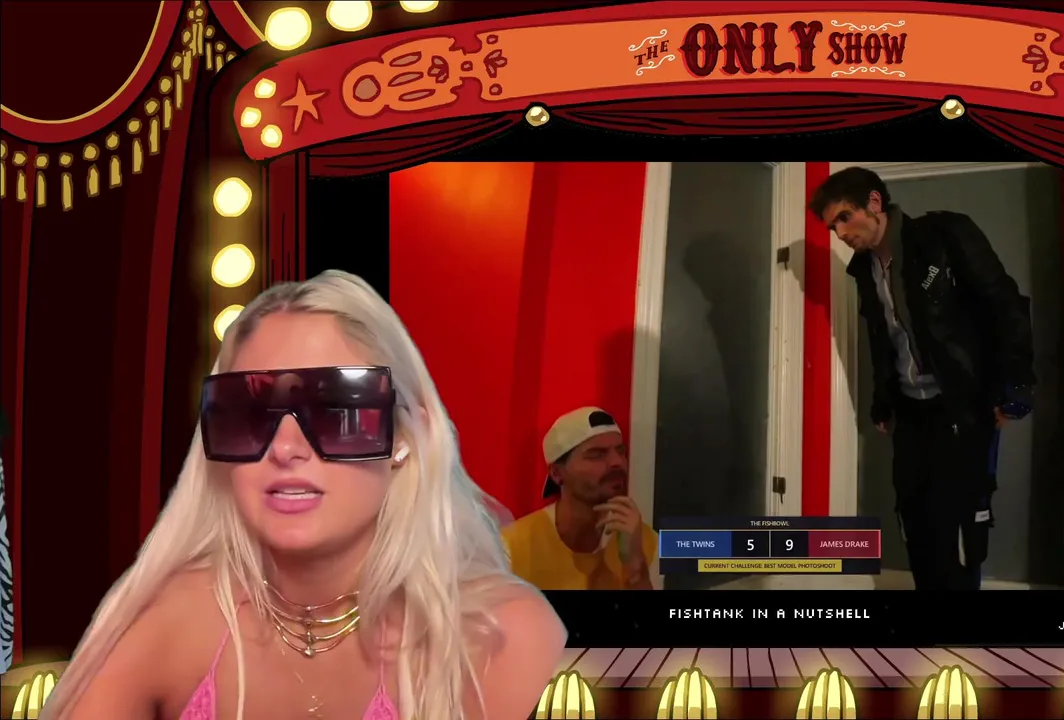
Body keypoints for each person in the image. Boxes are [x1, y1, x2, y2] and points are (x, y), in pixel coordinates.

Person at [43, 271, 565, 720]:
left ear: (407, 438)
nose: (286, 447)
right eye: (250, 414)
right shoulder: (177, 615)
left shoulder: (499, 633)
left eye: (337, 411)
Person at [809, 167, 1035, 591]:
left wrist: (1016, 385)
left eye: (844, 218)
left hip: (962, 402)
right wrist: (883, 399)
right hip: (912, 411)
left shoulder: (942, 235)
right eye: (832, 227)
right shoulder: (863, 270)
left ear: (874, 203)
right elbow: (884, 340)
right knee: (915, 516)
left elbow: (1005, 305)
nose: (839, 233)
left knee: (962, 518)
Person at [502, 407, 661, 591]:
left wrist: (635, 566)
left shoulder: (647, 543)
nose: (617, 462)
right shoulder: (510, 547)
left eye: (620, 451)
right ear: (556, 473)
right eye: (597, 455)